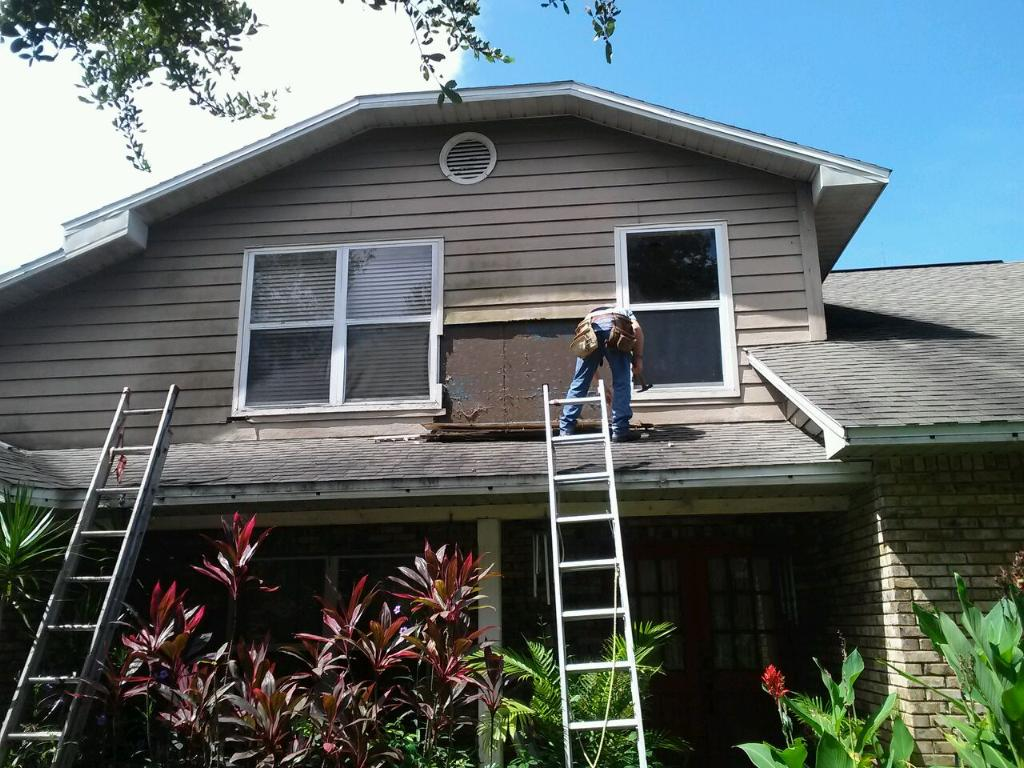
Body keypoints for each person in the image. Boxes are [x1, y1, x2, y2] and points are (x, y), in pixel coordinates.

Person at [559, 305, 644, 442]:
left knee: (579, 382)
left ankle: (566, 429)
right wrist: (638, 358)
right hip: (615, 327)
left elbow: (589, 369)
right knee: (621, 382)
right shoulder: (624, 311)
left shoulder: (591, 315)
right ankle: (620, 430)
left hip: (588, 329)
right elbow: (636, 329)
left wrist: (601, 386)